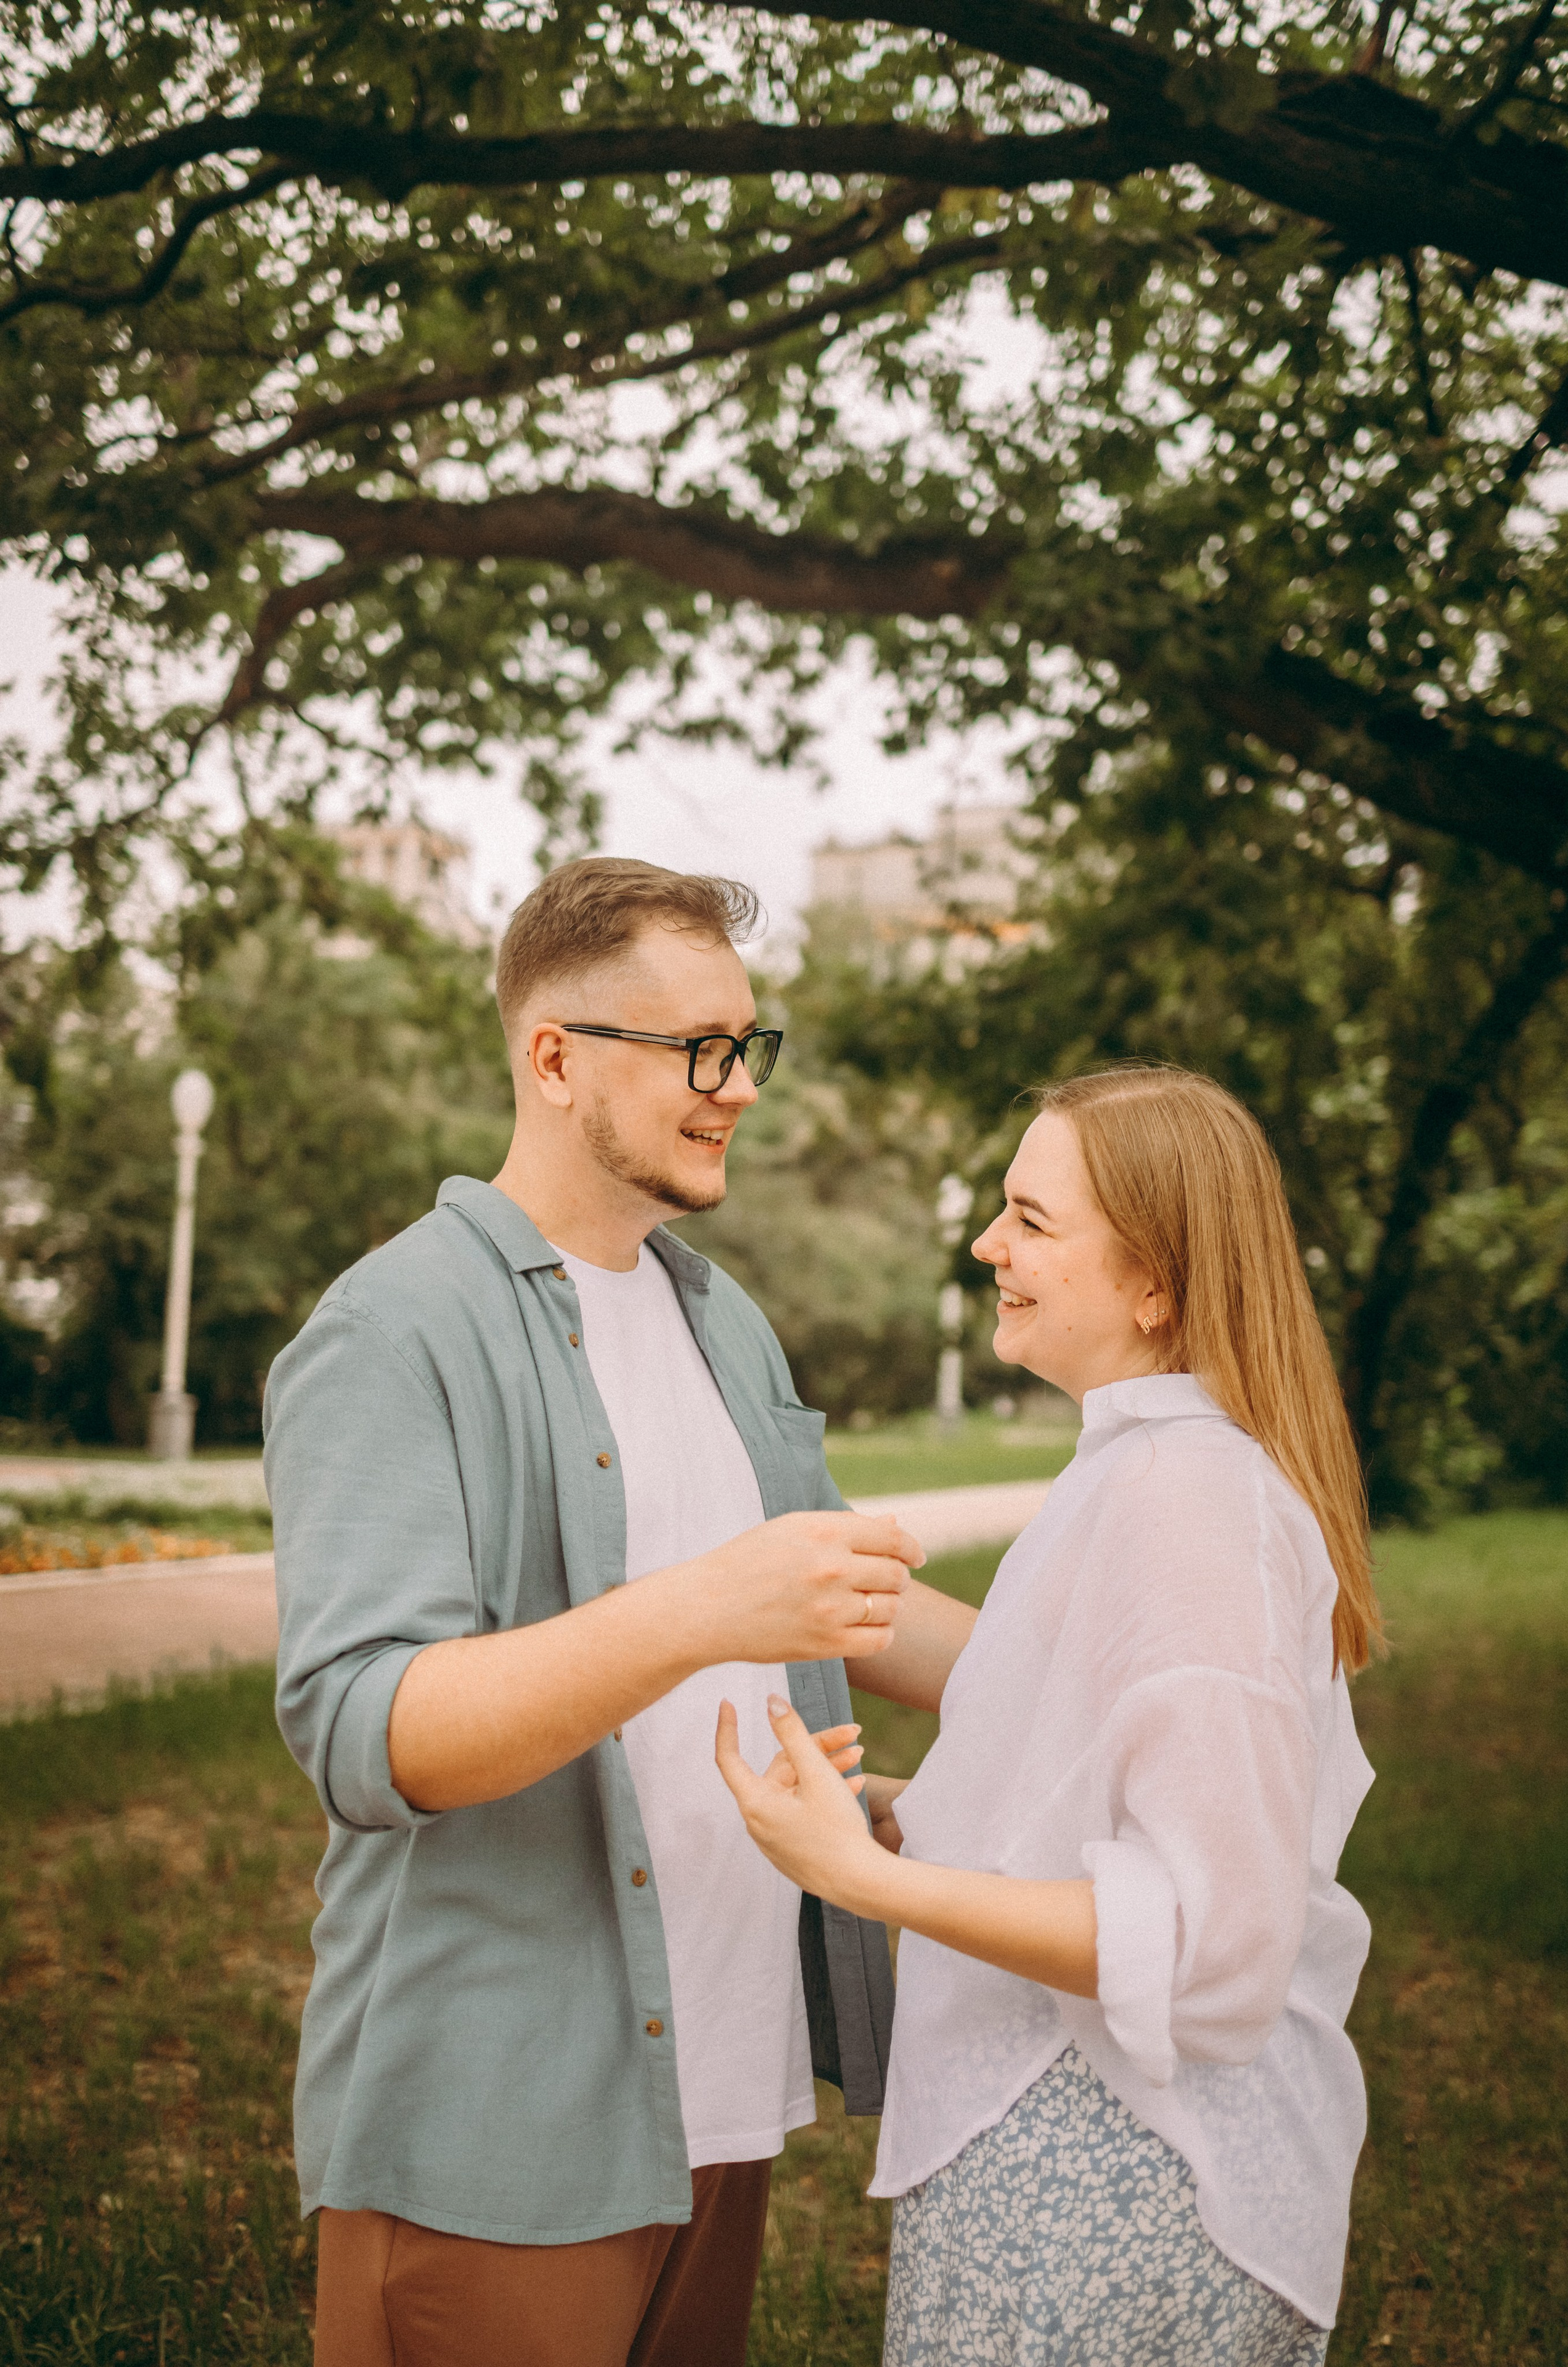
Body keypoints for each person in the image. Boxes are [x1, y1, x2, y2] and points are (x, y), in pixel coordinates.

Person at [264, 856, 974, 2367]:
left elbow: (841, 1594)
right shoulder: (391, 1329)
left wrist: (1125, 1672)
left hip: (720, 2099)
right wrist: (704, 1605)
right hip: (498, 2133)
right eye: (698, 1052)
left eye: (747, 1048)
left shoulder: (719, 1313)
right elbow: (369, 1733)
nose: (738, 1088)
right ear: (554, 1056)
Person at [717, 1064, 1384, 2367]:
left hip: (1118, 2184)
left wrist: (862, 1878)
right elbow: (1106, 1782)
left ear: (1155, 1285)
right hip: (1068, 2165)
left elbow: (1207, 1944)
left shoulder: (1188, 1504)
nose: (987, 1244)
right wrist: (908, 1813)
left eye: (1031, 1218)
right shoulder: (1139, 1465)